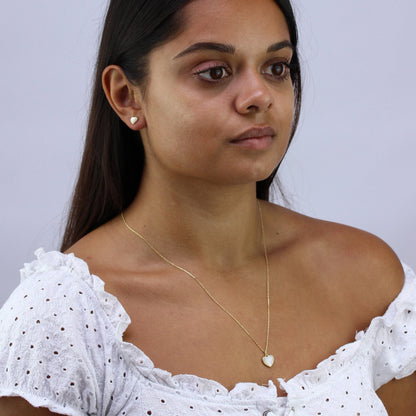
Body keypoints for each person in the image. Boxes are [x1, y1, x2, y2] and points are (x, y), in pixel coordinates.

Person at [0, 0, 415, 414]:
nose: (259, 96)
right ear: (127, 97)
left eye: (276, 68)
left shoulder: (368, 277)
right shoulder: (63, 318)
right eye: (214, 72)